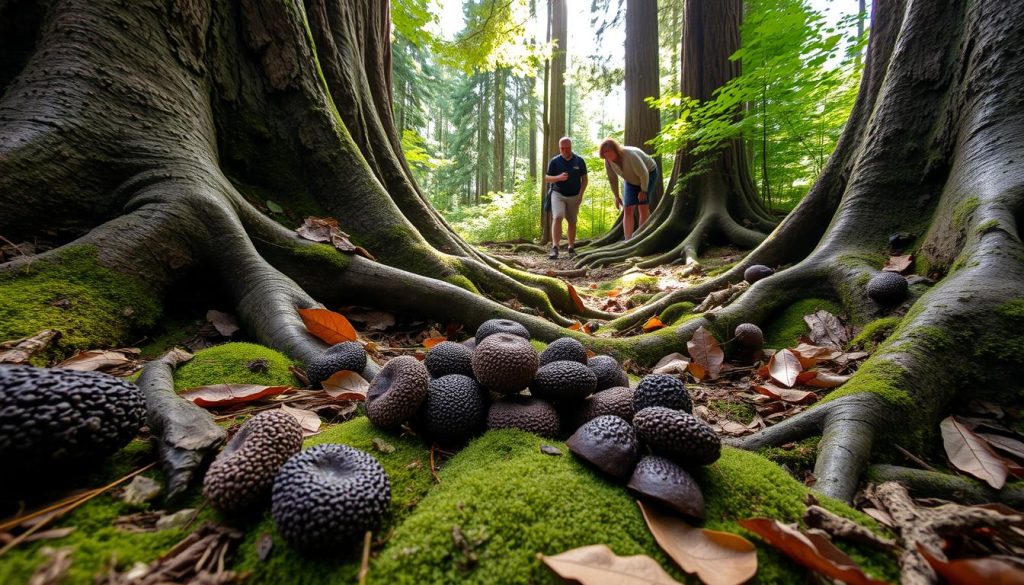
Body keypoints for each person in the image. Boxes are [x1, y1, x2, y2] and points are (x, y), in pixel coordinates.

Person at [598, 138, 658, 241]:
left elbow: (644, 173)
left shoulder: (630, 155)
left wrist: (643, 190)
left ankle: (641, 238)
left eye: (608, 152)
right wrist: (616, 196)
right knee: (628, 209)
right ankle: (628, 240)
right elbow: (612, 179)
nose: (606, 155)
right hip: (630, 179)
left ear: (615, 150)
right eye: (604, 153)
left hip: (648, 174)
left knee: (643, 206)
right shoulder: (608, 162)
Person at [544, 137, 588, 259]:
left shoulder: (579, 161)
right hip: (558, 194)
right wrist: (558, 177)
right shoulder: (555, 161)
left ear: (571, 147)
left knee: (572, 221)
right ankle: (555, 247)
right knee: (558, 216)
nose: (564, 151)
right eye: (562, 148)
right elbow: (547, 178)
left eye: (567, 148)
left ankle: (571, 247)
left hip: (574, 196)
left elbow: (584, 180)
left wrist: (581, 195)